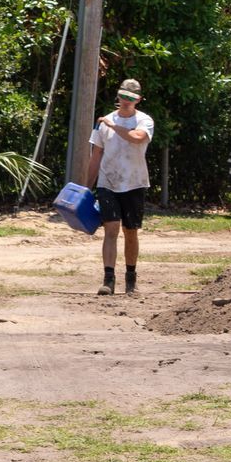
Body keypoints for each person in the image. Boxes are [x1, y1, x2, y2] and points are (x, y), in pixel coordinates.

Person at [85, 78, 155, 299]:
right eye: (123, 96)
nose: (126, 101)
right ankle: (108, 280)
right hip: (108, 183)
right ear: (118, 96)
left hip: (134, 182)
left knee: (131, 232)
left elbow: (136, 138)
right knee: (111, 229)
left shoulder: (144, 120)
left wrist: (114, 125)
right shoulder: (103, 123)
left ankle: (131, 278)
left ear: (138, 100)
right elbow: (96, 155)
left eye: (131, 98)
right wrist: (87, 187)